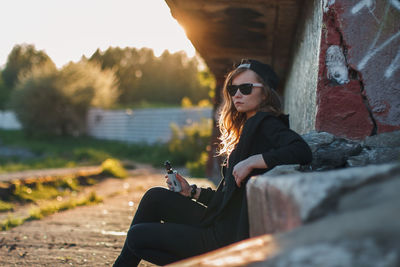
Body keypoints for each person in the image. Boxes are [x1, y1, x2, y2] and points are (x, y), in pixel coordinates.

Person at [113, 59, 312, 266]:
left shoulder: (266, 123)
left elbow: (301, 150)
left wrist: (253, 161)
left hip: (224, 239)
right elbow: (227, 199)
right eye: (233, 89)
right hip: (218, 221)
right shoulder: (249, 127)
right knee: (154, 197)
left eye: (246, 88)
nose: (237, 94)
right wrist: (192, 191)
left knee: (138, 237)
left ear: (265, 92)